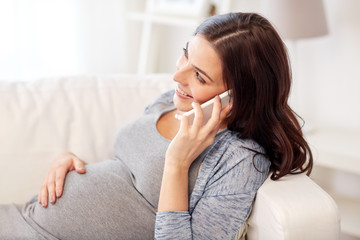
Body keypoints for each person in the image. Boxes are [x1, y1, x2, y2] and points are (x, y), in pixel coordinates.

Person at [0, 12, 312, 239]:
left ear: (237, 97)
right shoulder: (171, 100)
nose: (178, 76)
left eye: (199, 76)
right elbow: (123, 179)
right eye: (186, 55)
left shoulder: (239, 159)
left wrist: (176, 164)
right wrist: (70, 161)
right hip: (21, 218)